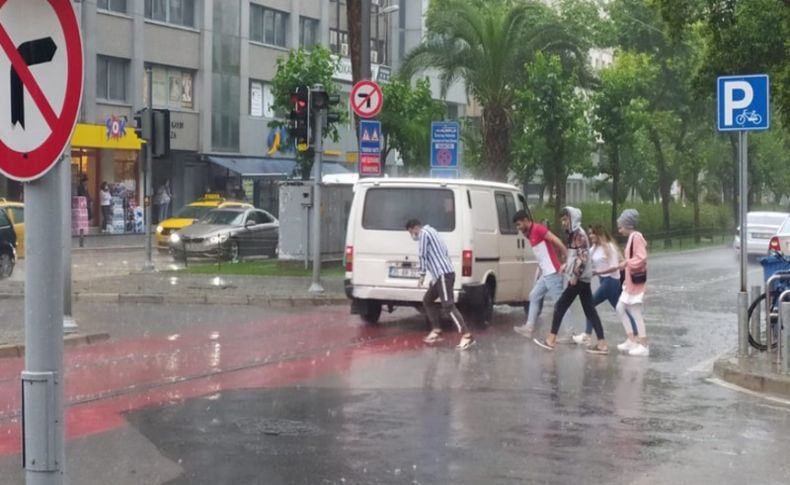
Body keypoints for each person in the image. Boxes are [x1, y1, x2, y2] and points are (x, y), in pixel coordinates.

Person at [534, 207, 608, 354]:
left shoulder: (578, 235)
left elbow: (582, 257)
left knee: (560, 305)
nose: (563, 222)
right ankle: (602, 344)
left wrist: (574, 276)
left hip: (579, 279)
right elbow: (575, 257)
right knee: (590, 310)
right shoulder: (574, 234)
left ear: (572, 219)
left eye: (565, 219)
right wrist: (566, 265)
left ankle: (551, 340)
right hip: (582, 278)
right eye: (562, 220)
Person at [406, 219, 475, 351]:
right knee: (427, 300)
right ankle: (437, 330)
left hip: (443, 274)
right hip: (441, 275)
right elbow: (439, 253)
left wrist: (421, 274)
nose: (412, 236)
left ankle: (467, 335)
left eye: (411, 232)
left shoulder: (424, 234)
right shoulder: (433, 231)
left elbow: (423, 254)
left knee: (448, 305)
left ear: (415, 228)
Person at [572, 224, 638, 345]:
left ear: (599, 234)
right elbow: (584, 258)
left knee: (590, 305)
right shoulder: (594, 248)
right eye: (589, 233)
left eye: (593, 233)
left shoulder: (609, 247)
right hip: (604, 281)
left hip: (611, 281)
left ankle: (587, 335)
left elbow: (614, 267)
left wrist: (598, 272)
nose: (590, 235)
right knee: (620, 309)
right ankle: (635, 336)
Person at [513, 210, 568, 339]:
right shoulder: (530, 233)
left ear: (526, 220)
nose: (518, 228)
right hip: (546, 274)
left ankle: (570, 333)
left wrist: (567, 257)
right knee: (534, 295)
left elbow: (556, 240)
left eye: (519, 224)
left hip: (553, 272)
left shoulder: (538, 229)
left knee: (560, 304)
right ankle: (529, 326)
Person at [616, 209, 650, 357]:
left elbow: (642, 257)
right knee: (620, 308)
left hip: (636, 282)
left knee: (635, 311)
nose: (619, 229)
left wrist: (627, 263)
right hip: (630, 281)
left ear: (628, 225)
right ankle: (632, 339)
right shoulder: (633, 237)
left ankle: (643, 345)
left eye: (621, 226)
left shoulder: (636, 237)